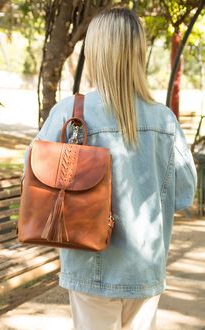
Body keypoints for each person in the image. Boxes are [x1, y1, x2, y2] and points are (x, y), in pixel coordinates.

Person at [26, 8, 197, 330]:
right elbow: (183, 194)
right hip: (145, 265)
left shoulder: (69, 112)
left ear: (95, 52)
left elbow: (31, 176)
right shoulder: (164, 120)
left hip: (88, 262)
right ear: (138, 53)